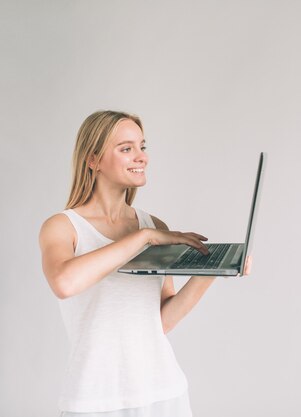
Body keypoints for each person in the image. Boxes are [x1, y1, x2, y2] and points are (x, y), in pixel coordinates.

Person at [39, 110, 239, 416]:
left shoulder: (153, 224)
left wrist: (213, 269)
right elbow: (64, 283)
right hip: (95, 400)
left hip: (163, 393)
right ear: (92, 160)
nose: (141, 157)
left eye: (142, 147)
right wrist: (144, 237)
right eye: (126, 148)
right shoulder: (63, 226)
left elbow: (161, 321)